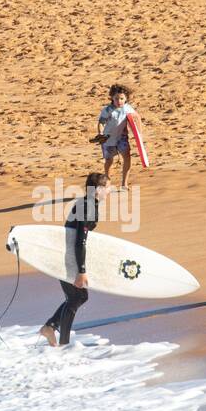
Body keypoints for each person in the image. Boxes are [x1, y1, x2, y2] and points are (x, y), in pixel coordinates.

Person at [39, 172, 110, 347]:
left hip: (66, 254)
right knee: (76, 297)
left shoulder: (86, 204)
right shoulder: (87, 207)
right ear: (98, 190)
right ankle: (63, 343)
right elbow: (79, 241)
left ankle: (51, 328)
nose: (109, 191)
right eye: (108, 187)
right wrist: (82, 271)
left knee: (78, 297)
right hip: (67, 257)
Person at [90, 84, 137, 188]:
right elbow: (101, 123)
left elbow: (136, 120)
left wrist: (138, 133)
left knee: (127, 157)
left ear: (126, 99)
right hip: (108, 139)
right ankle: (107, 182)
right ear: (112, 97)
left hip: (122, 137)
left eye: (122, 98)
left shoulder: (128, 109)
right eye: (116, 98)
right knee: (109, 161)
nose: (119, 101)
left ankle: (124, 183)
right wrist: (100, 134)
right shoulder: (107, 110)